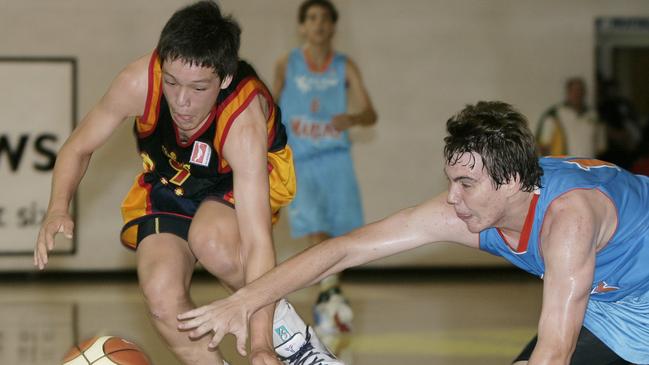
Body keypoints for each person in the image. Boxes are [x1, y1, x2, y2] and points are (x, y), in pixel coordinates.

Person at [178, 101, 649, 365]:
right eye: (450, 180)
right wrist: (243, 301)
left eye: (466, 184)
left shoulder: (568, 222)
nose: (451, 198)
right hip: (611, 309)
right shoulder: (469, 209)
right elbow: (344, 250)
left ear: (509, 182)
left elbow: (555, 352)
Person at [33, 2, 341, 364]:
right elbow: (78, 146)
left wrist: (261, 345)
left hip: (240, 177)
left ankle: (297, 345)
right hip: (172, 182)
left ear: (224, 79)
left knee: (212, 241)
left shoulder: (243, 120)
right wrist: (57, 207)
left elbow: (258, 241)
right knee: (161, 297)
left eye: (197, 88)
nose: (181, 101)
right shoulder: (138, 81)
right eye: (172, 82)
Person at [272, 0, 377, 344]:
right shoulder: (288, 64)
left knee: (338, 231)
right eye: (311, 18)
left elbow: (370, 113)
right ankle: (331, 293)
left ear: (333, 26)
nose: (318, 24)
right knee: (315, 228)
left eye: (324, 19)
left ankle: (327, 293)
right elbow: (269, 106)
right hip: (300, 159)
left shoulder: (345, 66)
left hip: (336, 158)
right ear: (302, 26)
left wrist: (354, 118)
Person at [536, 77, 605, 157]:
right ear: (567, 92)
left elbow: (600, 146)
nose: (577, 94)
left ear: (584, 92)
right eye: (573, 91)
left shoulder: (594, 116)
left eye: (580, 90)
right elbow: (542, 146)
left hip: (589, 167)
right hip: (563, 167)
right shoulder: (554, 115)